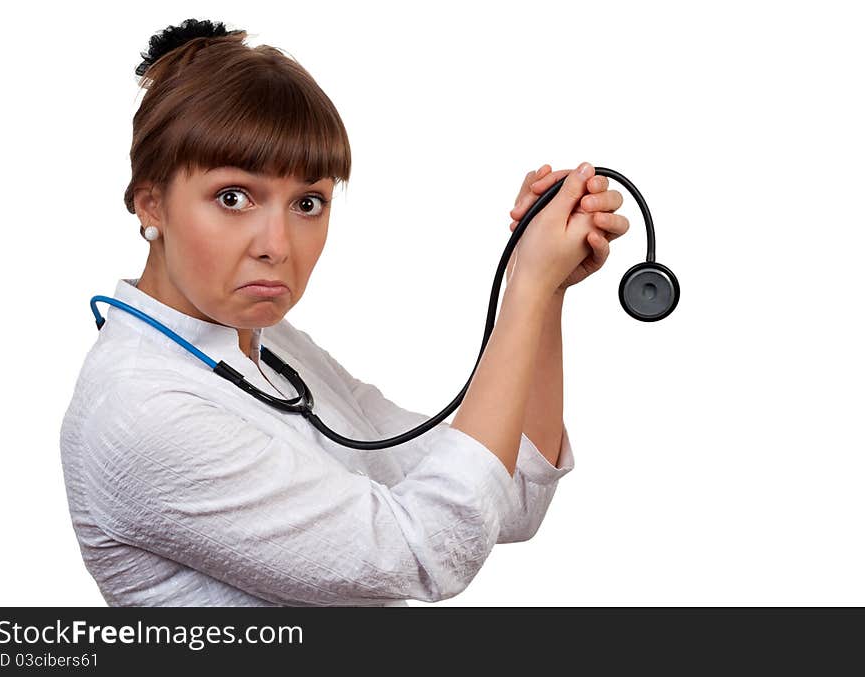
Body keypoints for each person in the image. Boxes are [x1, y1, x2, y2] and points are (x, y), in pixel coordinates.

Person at [59, 18, 629, 607]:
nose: (276, 244)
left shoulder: (270, 345)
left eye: (308, 202)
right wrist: (526, 289)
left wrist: (547, 289)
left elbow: (507, 497)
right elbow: (425, 551)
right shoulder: (140, 409)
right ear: (152, 202)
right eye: (234, 197)